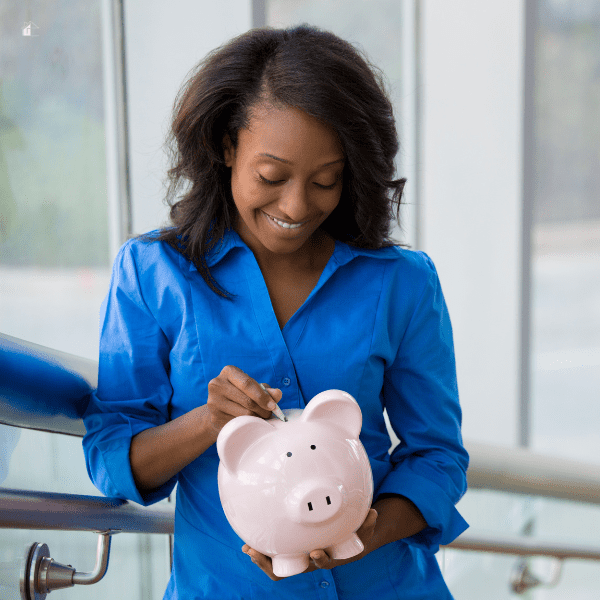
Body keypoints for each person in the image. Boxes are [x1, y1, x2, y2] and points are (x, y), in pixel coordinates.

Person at [82, 24, 469, 600]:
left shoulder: (402, 283)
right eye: (272, 176)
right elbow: (115, 460)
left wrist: (366, 530)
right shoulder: (152, 273)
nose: (295, 205)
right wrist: (207, 423)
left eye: (325, 181)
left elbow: (438, 457)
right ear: (227, 145)